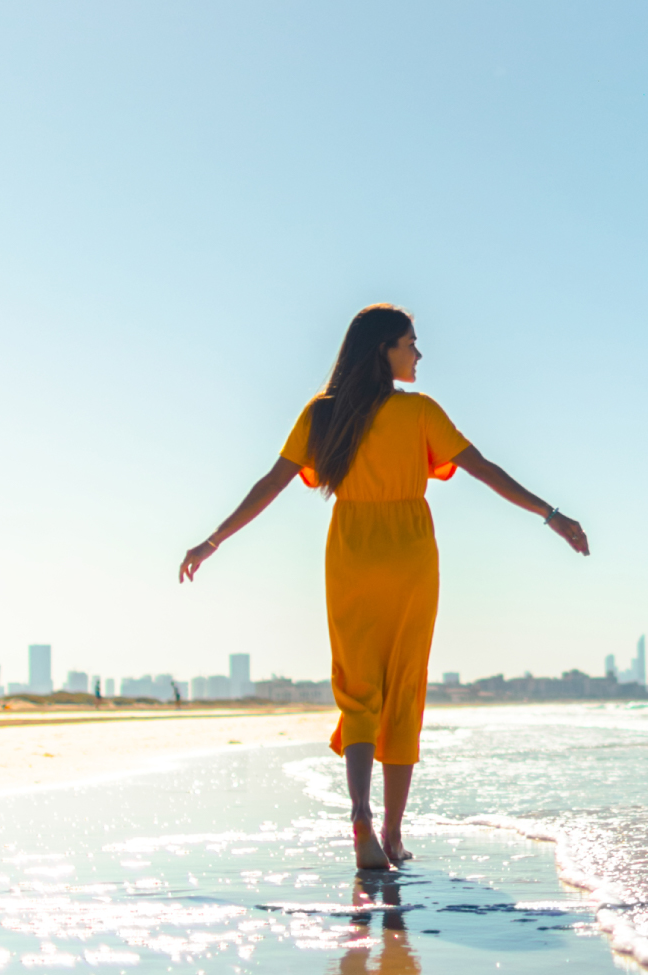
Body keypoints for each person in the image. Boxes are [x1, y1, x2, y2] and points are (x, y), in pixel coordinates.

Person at [179, 303, 588, 869]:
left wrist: (214, 539)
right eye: (410, 343)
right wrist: (552, 515)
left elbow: (272, 482)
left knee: (358, 688)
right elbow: (484, 468)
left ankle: (361, 819)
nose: (418, 354)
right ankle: (394, 836)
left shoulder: (323, 414)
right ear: (383, 350)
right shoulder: (419, 411)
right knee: (404, 686)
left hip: (350, 551)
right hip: (410, 553)